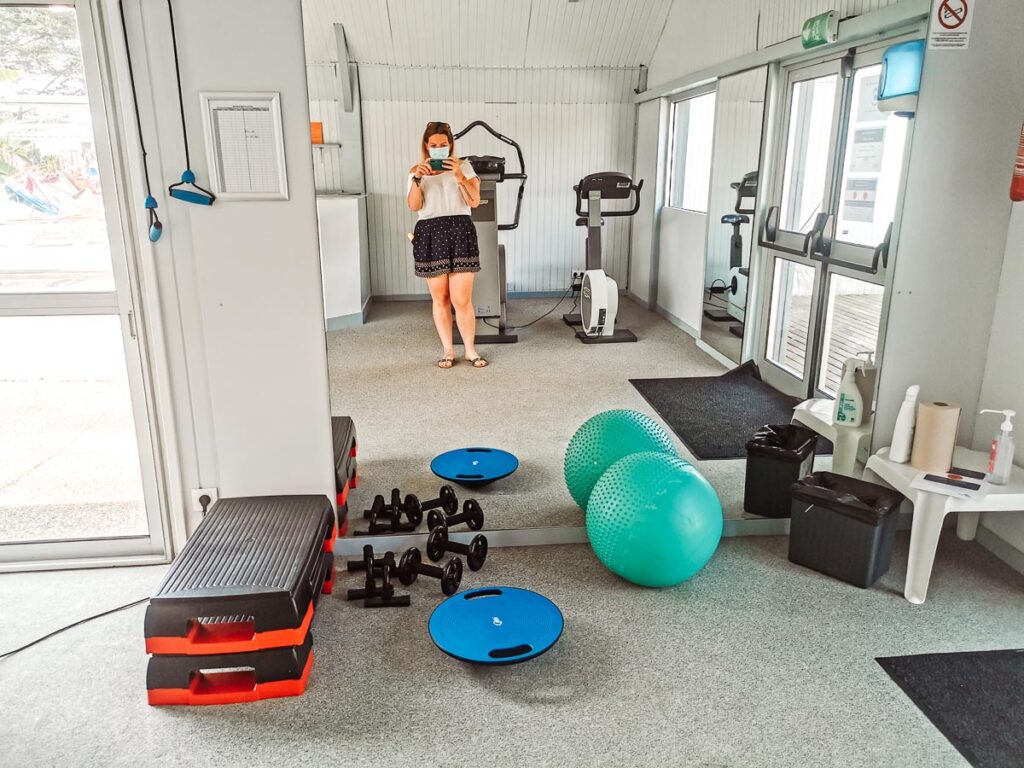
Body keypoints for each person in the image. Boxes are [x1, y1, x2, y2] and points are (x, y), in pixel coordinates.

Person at [407, 121, 486, 369]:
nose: (439, 148)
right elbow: (414, 206)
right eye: (434, 145)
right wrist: (417, 179)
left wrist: (459, 176)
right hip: (431, 232)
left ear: (450, 145)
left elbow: (474, 201)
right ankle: (448, 351)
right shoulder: (415, 171)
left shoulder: (464, 167)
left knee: (461, 299)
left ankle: (471, 351)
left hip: (460, 230)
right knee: (440, 298)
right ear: (426, 146)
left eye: (443, 144)